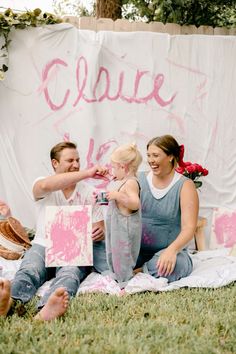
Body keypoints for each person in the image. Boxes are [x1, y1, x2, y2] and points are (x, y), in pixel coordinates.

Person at [0, 141, 108, 320]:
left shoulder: (90, 192)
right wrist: (88, 173)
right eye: (70, 160)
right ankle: (10, 301)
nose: (75, 164)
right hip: (43, 244)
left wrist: (99, 232)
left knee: (69, 273)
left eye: (78, 160)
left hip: (73, 249)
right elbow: (44, 187)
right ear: (55, 164)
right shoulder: (43, 184)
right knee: (29, 269)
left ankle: (47, 308)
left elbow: (100, 227)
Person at [135, 135, 199, 282]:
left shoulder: (185, 185)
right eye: (149, 155)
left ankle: (137, 272)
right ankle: (143, 270)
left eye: (156, 155)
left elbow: (189, 228)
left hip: (169, 252)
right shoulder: (138, 179)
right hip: (138, 251)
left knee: (176, 265)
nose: (151, 160)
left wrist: (172, 250)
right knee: (100, 249)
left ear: (170, 156)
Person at [104, 143, 142, 287]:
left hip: (124, 231)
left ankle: (124, 282)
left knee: (123, 256)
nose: (113, 171)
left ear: (123, 167)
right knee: (114, 254)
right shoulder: (123, 182)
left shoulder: (131, 183)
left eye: (114, 167)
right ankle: (117, 277)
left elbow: (134, 203)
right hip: (117, 228)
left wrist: (117, 195)